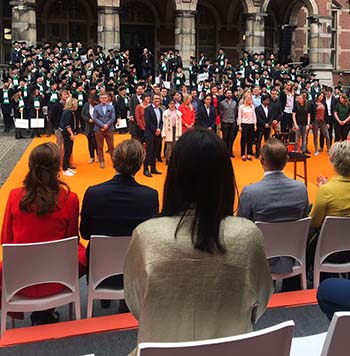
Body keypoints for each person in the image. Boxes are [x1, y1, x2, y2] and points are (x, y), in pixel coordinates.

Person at [124, 129, 272, 352]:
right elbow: (260, 301)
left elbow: (136, 304)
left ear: (174, 176)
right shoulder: (247, 235)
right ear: (224, 177)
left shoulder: (146, 235)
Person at [1, 142, 86, 325]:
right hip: (58, 276)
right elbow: (71, 241)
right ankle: (48, 310)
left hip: (20, 275)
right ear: (57, 168)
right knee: (83, 254)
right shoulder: (69, 199)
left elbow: (5, 239)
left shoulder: (15, 196)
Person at [80, 139, 159, 312]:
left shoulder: (94, 193)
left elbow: (85, 233)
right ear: (139, 164)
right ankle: (125, 299)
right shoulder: (149, 197)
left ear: (114, 161)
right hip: (135, 270)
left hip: (99, 269)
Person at [238, 138, 309, 282]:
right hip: (293, 254)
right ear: (287, 159)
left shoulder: (251, 192)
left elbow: (242, 226)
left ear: (262, 160)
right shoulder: (301, 189)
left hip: (259, 256)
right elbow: (304, 217)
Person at [310, 141, 350, 229]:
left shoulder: (326, 190)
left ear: (334, 163)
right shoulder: (327, 188)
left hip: (330, 239)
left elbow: (314, 222)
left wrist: (324, 188)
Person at [93, 93, 116, 169]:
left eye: (105, 98)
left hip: (109, 129)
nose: (104, 99)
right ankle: (101, 161)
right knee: (99, 146)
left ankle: (114, 161)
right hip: (99, 129)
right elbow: (95, 118)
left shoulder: (111, 107)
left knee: (111, 146)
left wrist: (107, 125)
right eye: (102, 98)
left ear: (107, 99)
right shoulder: (96, 108)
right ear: (100, 99)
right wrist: (103, 125)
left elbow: (113, 118)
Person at [143, 94, 163, 177]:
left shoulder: (160, 110)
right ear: (152, 100)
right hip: (150, 133)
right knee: (149, 152)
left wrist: (160, 129)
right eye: (155, 98)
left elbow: (161, 122)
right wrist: (155, 130)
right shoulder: (148, 109)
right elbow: (148, 122)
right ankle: (146, 169)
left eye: (158, 98)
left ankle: (153, 168)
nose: (157, 100)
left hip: (158, 134)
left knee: (155, 151)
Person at [59, 97, 78, 177]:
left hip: (68, 132)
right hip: (67, 133)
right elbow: (67, 125)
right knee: (67, 151)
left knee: (69, 150)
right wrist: (71, 134)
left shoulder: (69, 112)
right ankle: (64, 168)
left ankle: (66, 166)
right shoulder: (68, 112)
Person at [162, 100, 182, 164]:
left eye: (173, 104)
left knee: (175, 146)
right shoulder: (165, 113)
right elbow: (163, 124)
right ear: (168, 105)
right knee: (168, 146)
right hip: (168, 130)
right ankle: (167, 159)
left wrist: (180, 132)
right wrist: (163, 133)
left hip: (176, 129)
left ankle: (174, 159)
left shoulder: (178, 113)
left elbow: (180, 123)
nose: (172, 105)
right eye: (171, 104)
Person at [237, 94, 257, 161]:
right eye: (248, 98)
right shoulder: (241, 107)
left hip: (251, 124)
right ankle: (243, 154)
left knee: (250, 139)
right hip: (244, 124)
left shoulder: (252, 107)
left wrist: (255, 124)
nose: (249, 99)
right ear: (245, 99)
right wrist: (239, 125)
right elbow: (239, 116)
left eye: (250, 98)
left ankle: (249, 154)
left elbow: (254, 115)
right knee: (244, 139)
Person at [219, 89, 237, 157]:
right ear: (225, 94)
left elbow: (235, 112)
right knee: (225, 137)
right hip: (225, 122)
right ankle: (224, 151)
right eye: (228, 93)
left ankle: (230, 151)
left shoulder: (234, 102)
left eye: (230, 93)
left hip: (232, 122)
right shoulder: (222, 103)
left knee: (231, 137)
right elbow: (220, 112)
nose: (229, 94)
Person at [81, 94, 99, 163]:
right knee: (90, 143)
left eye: (92, 100)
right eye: (89, 100)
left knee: (97, 142)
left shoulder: (98, 105)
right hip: (88, 126)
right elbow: (82, 114)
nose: (90, 101)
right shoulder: (86, 105)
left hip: (96, 126)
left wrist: (96, 120)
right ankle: (92, 157)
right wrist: (88, 120)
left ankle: (98, 156)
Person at [255, 94, 272, 158]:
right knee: (258, 140)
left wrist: (269, 124)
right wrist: (264, 124)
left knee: (267, 140)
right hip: (260, 127)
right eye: (266, 100)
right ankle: (257, 153)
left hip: (268, 127)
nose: (268, 102)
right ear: (262, 101)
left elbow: (271, 117)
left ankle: (266, 153)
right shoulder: (258, 108)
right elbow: (258, 118)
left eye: (268, 100)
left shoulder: (270, 108)